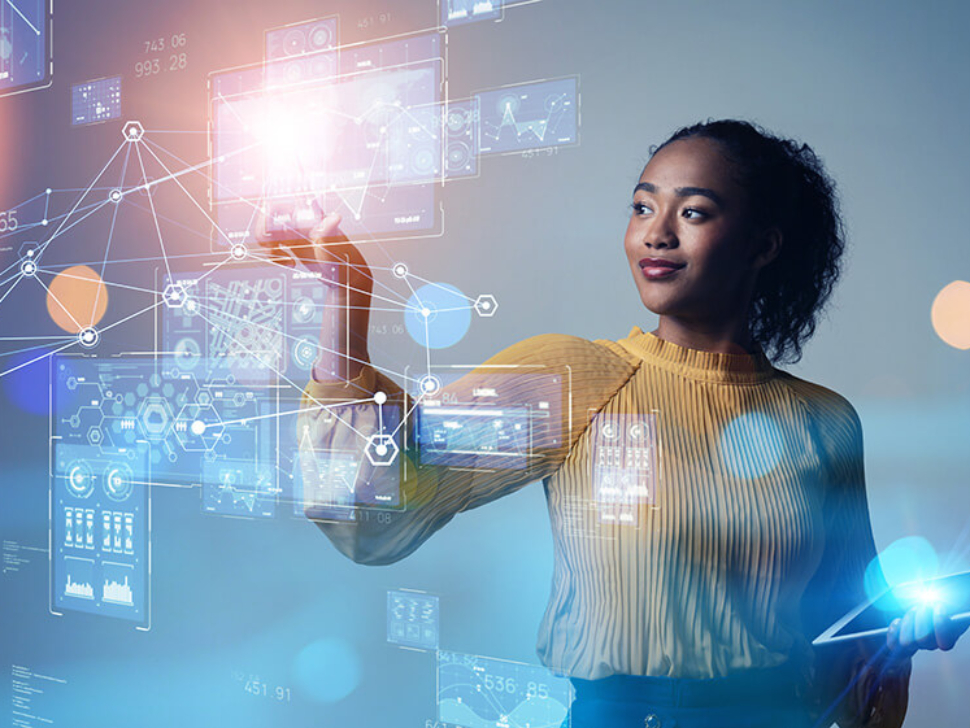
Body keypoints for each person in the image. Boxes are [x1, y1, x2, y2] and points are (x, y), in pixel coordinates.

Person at [260, 119, 967, 728]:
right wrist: (342, 297)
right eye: (641, 206)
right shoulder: (573, 379)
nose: (654, 233)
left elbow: (849, 643)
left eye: (692, 212)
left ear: (764, 245)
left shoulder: (825, 422)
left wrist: (902, 637)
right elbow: (374, 505)